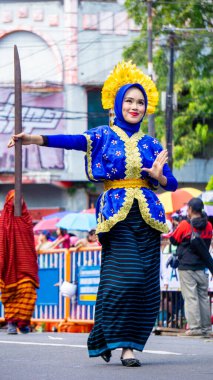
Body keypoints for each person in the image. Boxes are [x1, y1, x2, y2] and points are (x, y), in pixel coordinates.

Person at [8, 61, 177, 366]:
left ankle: (123, 343)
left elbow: (172, 182)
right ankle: (115, 337)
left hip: (148, 218)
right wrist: (35, 139)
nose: (135, 106)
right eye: (129, 100)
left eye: (140, 102)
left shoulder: (151, 143)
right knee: (124, 279)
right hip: (116, 216)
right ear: (117, 103)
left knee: (145, 284)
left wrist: (160, 176)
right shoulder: (103, 135)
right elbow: (72, 141)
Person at [170, 197, 213, 337]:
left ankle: (195, 328)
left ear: (189, 209)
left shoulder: (184, 225)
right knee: (203, 298)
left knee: (191, 298)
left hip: (186, 267)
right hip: (202, 267)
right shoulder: (209, 226)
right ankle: (207, 328)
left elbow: (173, 240)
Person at [0, 190, 39, 334]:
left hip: (25, 264)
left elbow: (29, 241)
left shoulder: (27, 218)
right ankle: (11, 322)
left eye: (19, 199)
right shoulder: (3, 220)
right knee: (10, 294)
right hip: (9, 265)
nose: (17, 202)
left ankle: (23, 322)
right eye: (13, 199)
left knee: (28, 292)